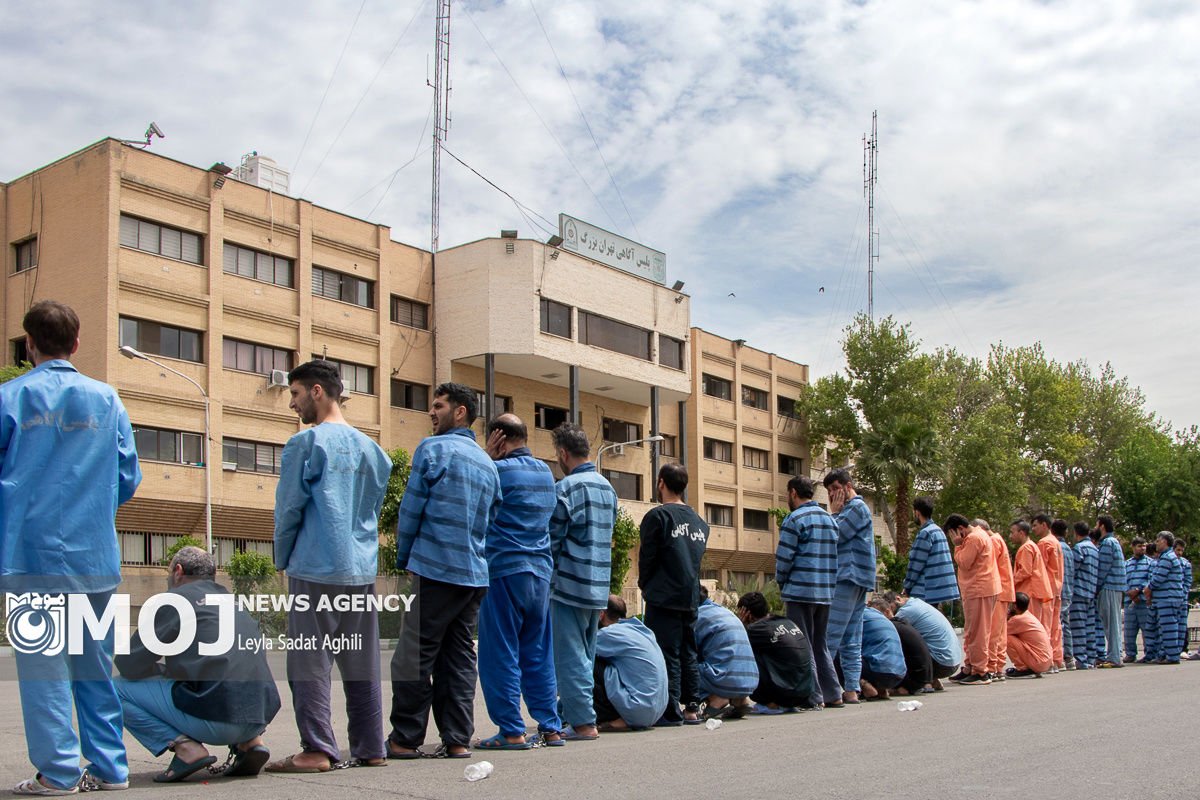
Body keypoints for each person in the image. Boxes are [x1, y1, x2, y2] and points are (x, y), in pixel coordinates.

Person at [0, 300, 141, 795]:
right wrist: (93, 507)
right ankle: (109, 768)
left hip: (30, 555)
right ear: (77, 343)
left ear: (30, 344)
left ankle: (58, 773)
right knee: (94, 669)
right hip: (95, 557)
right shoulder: (108, 400)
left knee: (44, 671)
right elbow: (128, 476)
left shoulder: (9, 398)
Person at [270, 360, 393, 773]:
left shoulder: (305, 444)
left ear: (318, 391)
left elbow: (288, 509)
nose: (293, 404)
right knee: (361, 662)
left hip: (315, 564)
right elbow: (371, 511)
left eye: (295, 394)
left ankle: (318, 749)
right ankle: (371, 747)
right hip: (359, 568)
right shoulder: (373, 451)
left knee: (309, 661)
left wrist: (281, 558)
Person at [389, 382, 501, 760]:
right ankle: (456, 740)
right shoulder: (488, 464)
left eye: (438, 406)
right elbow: (491, 520)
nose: (431, 412)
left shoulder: (432, 449)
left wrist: (403, 557)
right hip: (474, 576)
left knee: (413, 656)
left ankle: (405, 738)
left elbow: (411, 510)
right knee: (457, 658)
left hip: (437, 570)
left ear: (460, 412)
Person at [115, 547, 280, 782]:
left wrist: (160, 670)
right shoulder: (234, 602)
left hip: (215, 720)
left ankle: (186, 748)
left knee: (114, 688)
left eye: (168, 570)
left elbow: (128, 664)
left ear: (178, 571)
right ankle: (250, 743)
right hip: (258, 717)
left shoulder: (174, 600)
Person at [475, 414, 561, 751]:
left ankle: (511, 730)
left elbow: (481, 513)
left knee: (501, 652)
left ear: (498, 437)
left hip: (505, 571)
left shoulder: (495, 470)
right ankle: (551, 727)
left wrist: (487, 457)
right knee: (537, 652)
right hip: (540, 574)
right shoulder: (545, 472)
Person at [547, 423, 618, 740]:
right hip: (598, 586)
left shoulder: (565, 489)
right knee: (586, 655)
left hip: (568, 586)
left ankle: (583, 723)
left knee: (569, 657)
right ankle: (578, 715)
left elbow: (552, 541)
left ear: (563, 454)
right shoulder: (608, 488)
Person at [639, 462, 709, 726]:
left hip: (662, 596)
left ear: (661, 483)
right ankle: (692, 707)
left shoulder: (657, 517)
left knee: (666, 652)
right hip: (690, 596)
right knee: (689, 651)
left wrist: (645, 585)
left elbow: (647, 558)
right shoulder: (700, 523)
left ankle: (670, 711)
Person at [775, 475, 841, 708]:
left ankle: (813, 697)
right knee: (819, 644)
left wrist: (781, 581)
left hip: (800, 591)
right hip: (825, 592)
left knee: (802, 644)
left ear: (793, 492)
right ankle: (833, 693)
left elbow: (784, 558)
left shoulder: (794, 519)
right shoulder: (830, 520)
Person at [823, 468, 876, 704]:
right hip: (858, 579)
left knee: (831, 636)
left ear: (848, 486)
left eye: (835, 489)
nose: (833, 495)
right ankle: (851, 690)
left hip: (848, 577)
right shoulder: (856, 509)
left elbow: (836, 535)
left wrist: (833, 513)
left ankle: (828, 690)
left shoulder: (855, 508)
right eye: (829, 491)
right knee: (852, 638)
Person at [594, 595, 669, 731]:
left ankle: (595, 717)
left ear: (601, 614)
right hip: (657, 711)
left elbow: (579, 654)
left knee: (589, 663)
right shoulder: (641, 630)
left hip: (638, 710)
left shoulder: (609, 634)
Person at [736, 591, 814, 713]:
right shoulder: (787, 622)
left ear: (748, 615)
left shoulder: (755, 629)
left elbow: (734, 645)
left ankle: (770, 703)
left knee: (742, 652)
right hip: (804, 693)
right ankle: (781, 703)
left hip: (784, 694)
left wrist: (740, 625)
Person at [944, 514, 998, 684]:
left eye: (952, 534)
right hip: (977, 589)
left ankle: (981, 671)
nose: (952, 538)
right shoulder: (979, 534)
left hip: (979, 589)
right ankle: (971, 666)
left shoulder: (973, 539)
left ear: (960, 529)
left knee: (978, 633)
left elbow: (964, 562)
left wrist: (957, 546)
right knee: (972, 631)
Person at [694, 586, 759, 718]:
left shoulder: (697, 616)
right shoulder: (727, 612)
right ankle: (741, 700)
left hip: (724, 680)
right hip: (750, 681)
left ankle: (716, 699)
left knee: (682, 666)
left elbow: (689, 654)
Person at [892, 594, 963, 690]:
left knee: (899, 642)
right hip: (954, 662)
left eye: (891, 608)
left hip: (940, 664)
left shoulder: (906, 611)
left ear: (898, 599)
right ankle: (932, 679)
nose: (892, 613)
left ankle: (922, 681)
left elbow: (889, 633)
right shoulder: (918, 603)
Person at [869, 596, 932, 697]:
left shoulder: (890, 628)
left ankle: (902, 688)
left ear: (887, 612)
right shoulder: (902, 623)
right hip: (924, 677)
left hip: (913, 678)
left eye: (877, 615)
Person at [903, 496, 960, 608]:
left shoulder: (925, 533)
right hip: (939, 590)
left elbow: (916, 564)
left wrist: (907, 586)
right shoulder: (938, 531)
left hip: (926, 590)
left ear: (917, 513)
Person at [977, 519, 1015, 681]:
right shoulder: (999, 539)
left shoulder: (992, 542)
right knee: (1000, 633)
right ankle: (998, 665)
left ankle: (992, 666)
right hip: (1004, 590)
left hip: (998, 592)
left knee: (993, 632)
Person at [1144, 531, 1184, 664]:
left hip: (1168, 597)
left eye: (1158, 541)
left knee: (1169, 628)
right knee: (1166, 628)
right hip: (1167, 597)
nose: (1156, 543)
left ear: (1165, 542)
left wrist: (1148, 589)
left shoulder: (1167, 557)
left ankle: (1172, 657)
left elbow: (1158, 578)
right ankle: (1167, 654)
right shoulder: (1166, 557)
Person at [1033, 514, 1065, 672]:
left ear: (1044, 525)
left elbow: (1039, 567)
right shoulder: (1056, 542)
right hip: (1057, 587)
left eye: (1035, 525)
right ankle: (1057, 659)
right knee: (1055, 626)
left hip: (1047, 589)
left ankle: (1048, 660)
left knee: (1045, 625)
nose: (1033, 529)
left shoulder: (1044, 543)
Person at [1009, 520, 1053, 633]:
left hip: (1030, 592)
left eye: (1012, 532)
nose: (1010, 536)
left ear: (1021, 533)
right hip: (1034, 591)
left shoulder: (1026, 548)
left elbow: (1025, 571)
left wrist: (1010, 583)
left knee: (1030, 626)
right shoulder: (1032, 546)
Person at [1094, 515, 1126, 667]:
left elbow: (1103, 569)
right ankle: (1115, 654)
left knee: (1111, 623)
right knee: (1114, 623)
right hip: (1116, 587)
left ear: (1101, 526)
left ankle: (1114, 657)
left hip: (1109, 587)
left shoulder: (1107, 543)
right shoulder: (1114, 542)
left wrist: (1097, 587)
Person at [858, 603, 906, 700]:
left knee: (839, 653)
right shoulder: (881, 618)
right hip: (899, 676)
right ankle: (881, 690)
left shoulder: (857, 615)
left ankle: (859, 689)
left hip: (880, 673)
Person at [1069, 521, 1101, 670]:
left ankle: (1081, 659)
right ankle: (1091, 657)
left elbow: (1073, 570)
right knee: (1090, 626)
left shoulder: (1079, 549)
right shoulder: (1095, 549)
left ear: (1076, 533)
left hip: (1079, 592)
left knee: (1078, 626)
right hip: (1090, 592)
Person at [1005, 592, 1053, 677]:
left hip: (1039, 662)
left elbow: (1000, 631)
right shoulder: (1027, 615)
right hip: (1045, 661)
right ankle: (1028, 667)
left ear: (1015, 607)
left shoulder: (1018, 619)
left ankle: (1023, 669)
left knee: (1006, 638)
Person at [1123, 537, 1155, 663]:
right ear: (1133, 547)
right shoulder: (1127, 564)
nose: (1142, 548)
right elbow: (1123, 580)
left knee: (1146, 629)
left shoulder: (1150, 563)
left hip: (1142, 601)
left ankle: (1149, 654)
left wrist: (1138, 590)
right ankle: (1130, 654)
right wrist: (1130, 593)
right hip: (1129, 602)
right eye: (1139, 546)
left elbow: (1150, 579)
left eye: (1143, 546)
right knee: (1129, 630)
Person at [1052, 518, 1076, 670]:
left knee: (1056, 625)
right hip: (1068, 590)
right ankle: (1069, 658)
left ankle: (1059, 658)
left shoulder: (1055, 547)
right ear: (1066, 532)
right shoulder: (1068, 548)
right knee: (1065, 624)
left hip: (1057, 591)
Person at [1172, 538, 1192, 659]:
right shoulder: (1167, 561)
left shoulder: (1186, 564)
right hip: (1170, 600)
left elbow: (1188, 582)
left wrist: (1182, 596)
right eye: (1178, 550)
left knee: (1181, 627)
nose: (1180, 553)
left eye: (1182, 551)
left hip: (1182, 601)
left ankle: (1180, 650)